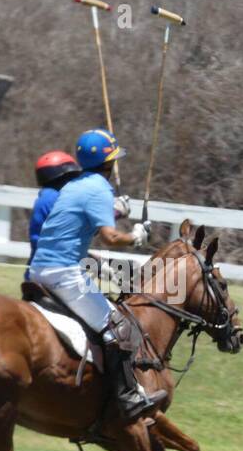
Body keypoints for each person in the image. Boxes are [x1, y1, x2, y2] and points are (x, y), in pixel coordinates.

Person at [27, 128, 156, 421]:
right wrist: (136, 235)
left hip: (39, 269)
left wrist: (114, 210)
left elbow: (80, 221)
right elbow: (110, 237)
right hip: (64, 272)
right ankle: (128, 396)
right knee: (119, 329)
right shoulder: (98, 187)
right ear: (109, 163)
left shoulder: (74, 185)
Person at [27, 151, 81, 266]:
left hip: (43, 264)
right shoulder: (52, 198)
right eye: (70, 177)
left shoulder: (46, 197)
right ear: (60, 177)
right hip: (54, 267)